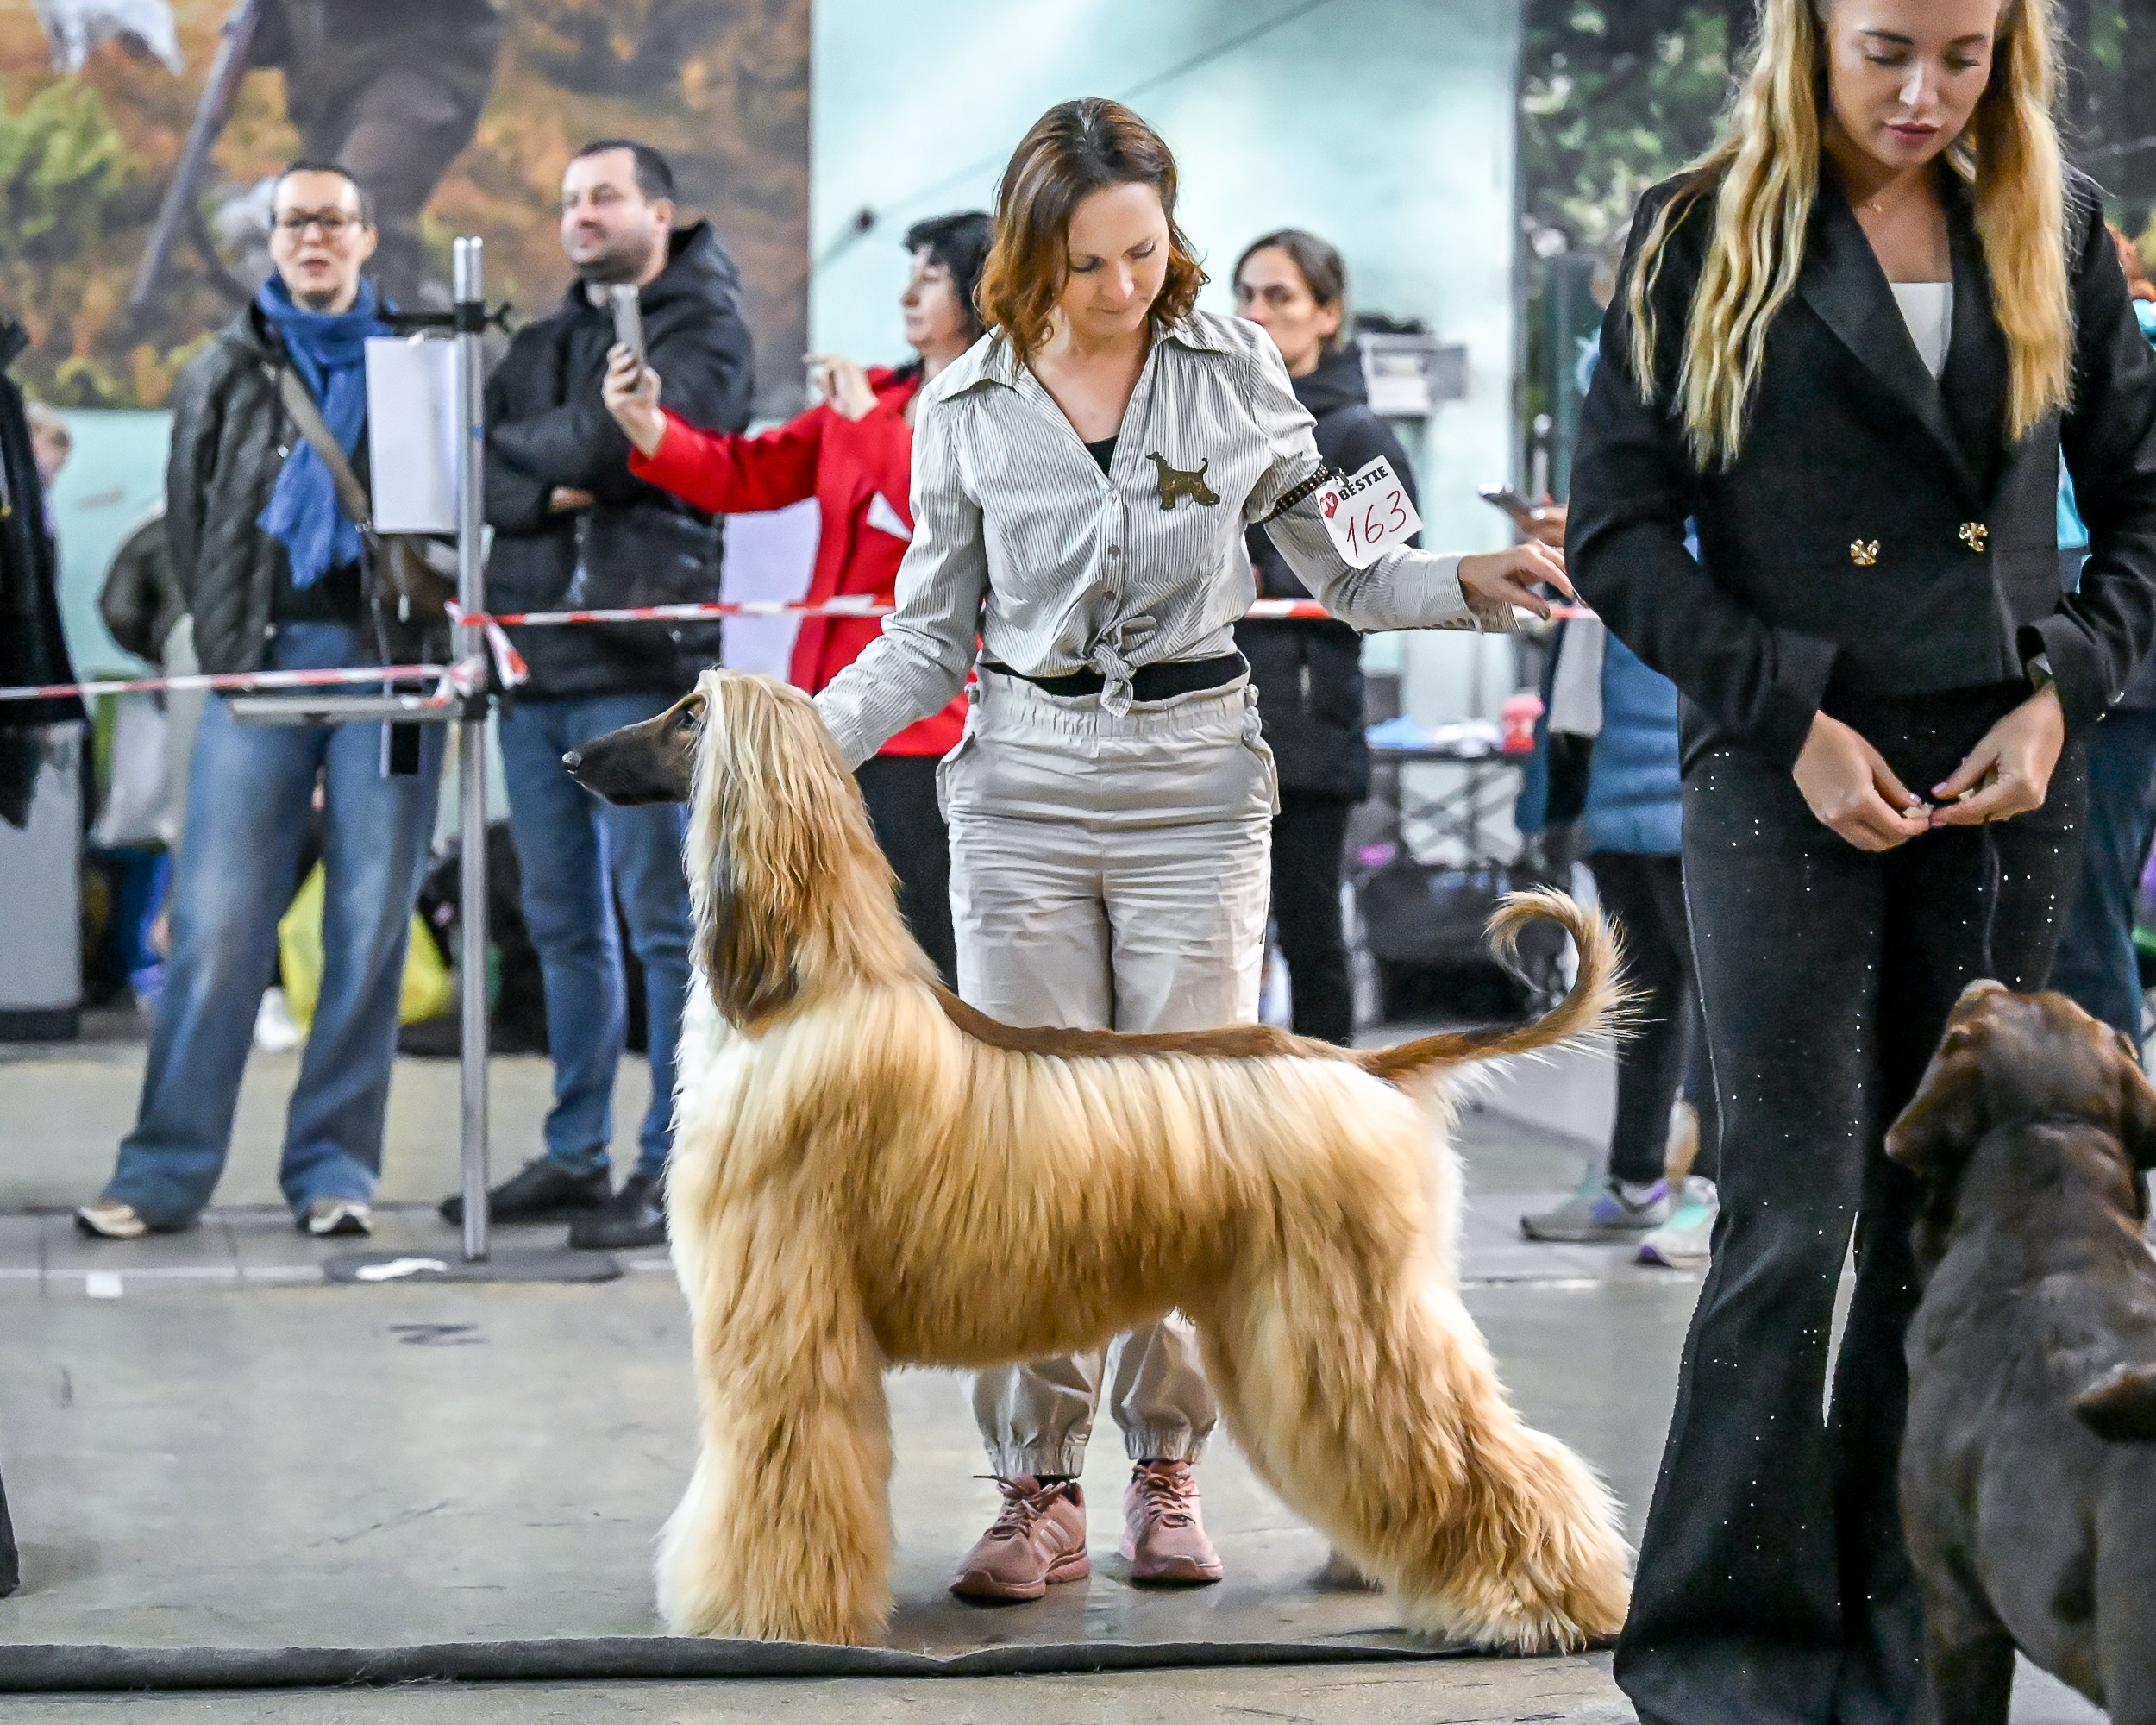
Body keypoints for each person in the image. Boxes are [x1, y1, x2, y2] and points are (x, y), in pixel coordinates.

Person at [800, 97, 1566, 1606]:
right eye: (1090, 263)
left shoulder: (1239, 373)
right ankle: (1034, 1494)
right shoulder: (960, 409)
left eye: (1145, 250)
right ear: (1032, 258)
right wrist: (794, 746)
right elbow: (920, 641)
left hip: (1195, 791)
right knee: (1023, 1158)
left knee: (1183, 1158)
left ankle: (1166, 1472)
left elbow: (1352, 570)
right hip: (1017, 788)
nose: (1127, 286)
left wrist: (1472, 580)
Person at [1567, 1, 2156, 1718]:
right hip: (1780, 759)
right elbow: (1613, 525)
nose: (1921, 94)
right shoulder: (1698, 231)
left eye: (1961, 57)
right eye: (1884, 49)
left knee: (1940, 1221)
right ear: (1805, 39)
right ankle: (1722, 1650)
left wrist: (2064, 690)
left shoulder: (2052, 222)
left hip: (2000, 766)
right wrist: (1790, 714)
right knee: (1788, 1210)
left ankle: (1918, 1641)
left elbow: (2139, 504)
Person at [78, 162, 447, 1241]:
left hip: (388, 668)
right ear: (272, 239)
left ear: (369, 237)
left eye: (335, 220)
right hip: (265, 664)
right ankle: (162, 1172)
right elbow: (189, 524)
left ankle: (334, 1171)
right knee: (216, 923)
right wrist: (228, 637)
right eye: (295, 222)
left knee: (369, 924)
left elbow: (448, 513)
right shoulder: (224, 369)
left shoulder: (417, 367)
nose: (314, 238)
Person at [442, 139, 755, 1252]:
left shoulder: (705, 326)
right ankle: (577, 1154)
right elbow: (470, 463)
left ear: (659, 210)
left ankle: (673, 1166)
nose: (582, 213)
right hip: (534, 665)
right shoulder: (539, 339)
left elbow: (642, 455)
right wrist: (558, 471)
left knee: (665, 931)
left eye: (605, 195)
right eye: (570, 197)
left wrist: (575, 462)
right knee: (561, 924)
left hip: (645, 678)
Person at [603, 212, 991, 985]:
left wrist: (869, 425)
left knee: (931, 947)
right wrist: (647, 426)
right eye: (909, 269)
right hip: (828, 714)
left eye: (933, 273)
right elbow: (743, 475)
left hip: (929, 722)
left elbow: (943, 519)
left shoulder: (994, 408)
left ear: (982, 287)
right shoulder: (873, 395)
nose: (910, 290)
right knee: (838, 946)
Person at [1229, 229, 1414, 1044]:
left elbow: (1385, 574)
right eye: (1246, 295)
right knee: (1224, 949)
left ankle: (1333, 1126)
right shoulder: (1221, 423)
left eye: (1280, 297)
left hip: (1306, 729)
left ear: (1327, 315)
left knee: (1309, 936)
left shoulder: (1354, 434)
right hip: (1212, 722)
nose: (1257, 312)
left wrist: (1263, 566)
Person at [2048, 225, 2156, 1051]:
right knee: (2086, 907)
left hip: (2106, 655)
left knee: (2078, 918)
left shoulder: (2120, 354)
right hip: (2112, 652)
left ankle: (2103, 1152)